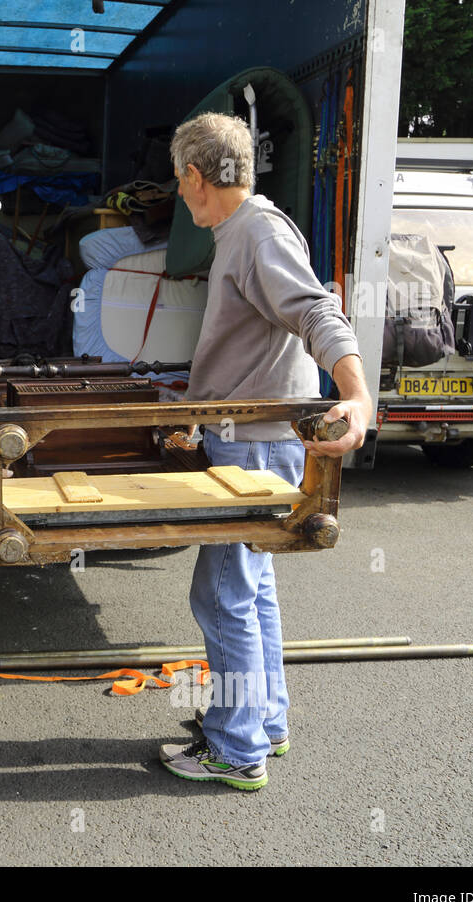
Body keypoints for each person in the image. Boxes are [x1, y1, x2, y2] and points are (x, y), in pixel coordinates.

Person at [157, 113, 371, 791]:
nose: (179, 193)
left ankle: (236, 749)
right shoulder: (245, 230)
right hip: (248, 437)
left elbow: (317, 312)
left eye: (177, 180)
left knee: (221, 598)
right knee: (253, 591)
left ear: (195, 177)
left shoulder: (256, 232)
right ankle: (263, 723)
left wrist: (359, 398)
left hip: (256, 445)